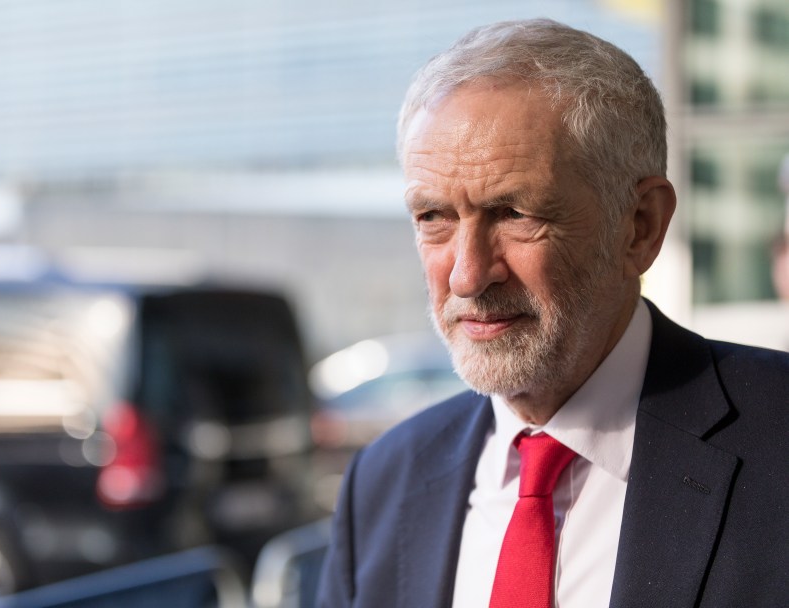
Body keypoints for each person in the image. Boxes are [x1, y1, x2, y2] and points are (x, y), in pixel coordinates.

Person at [316, 19, 789, 608]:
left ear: (640, 226)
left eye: (515, 213)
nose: (466, 273)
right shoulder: (384, 483)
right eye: (433, 217)